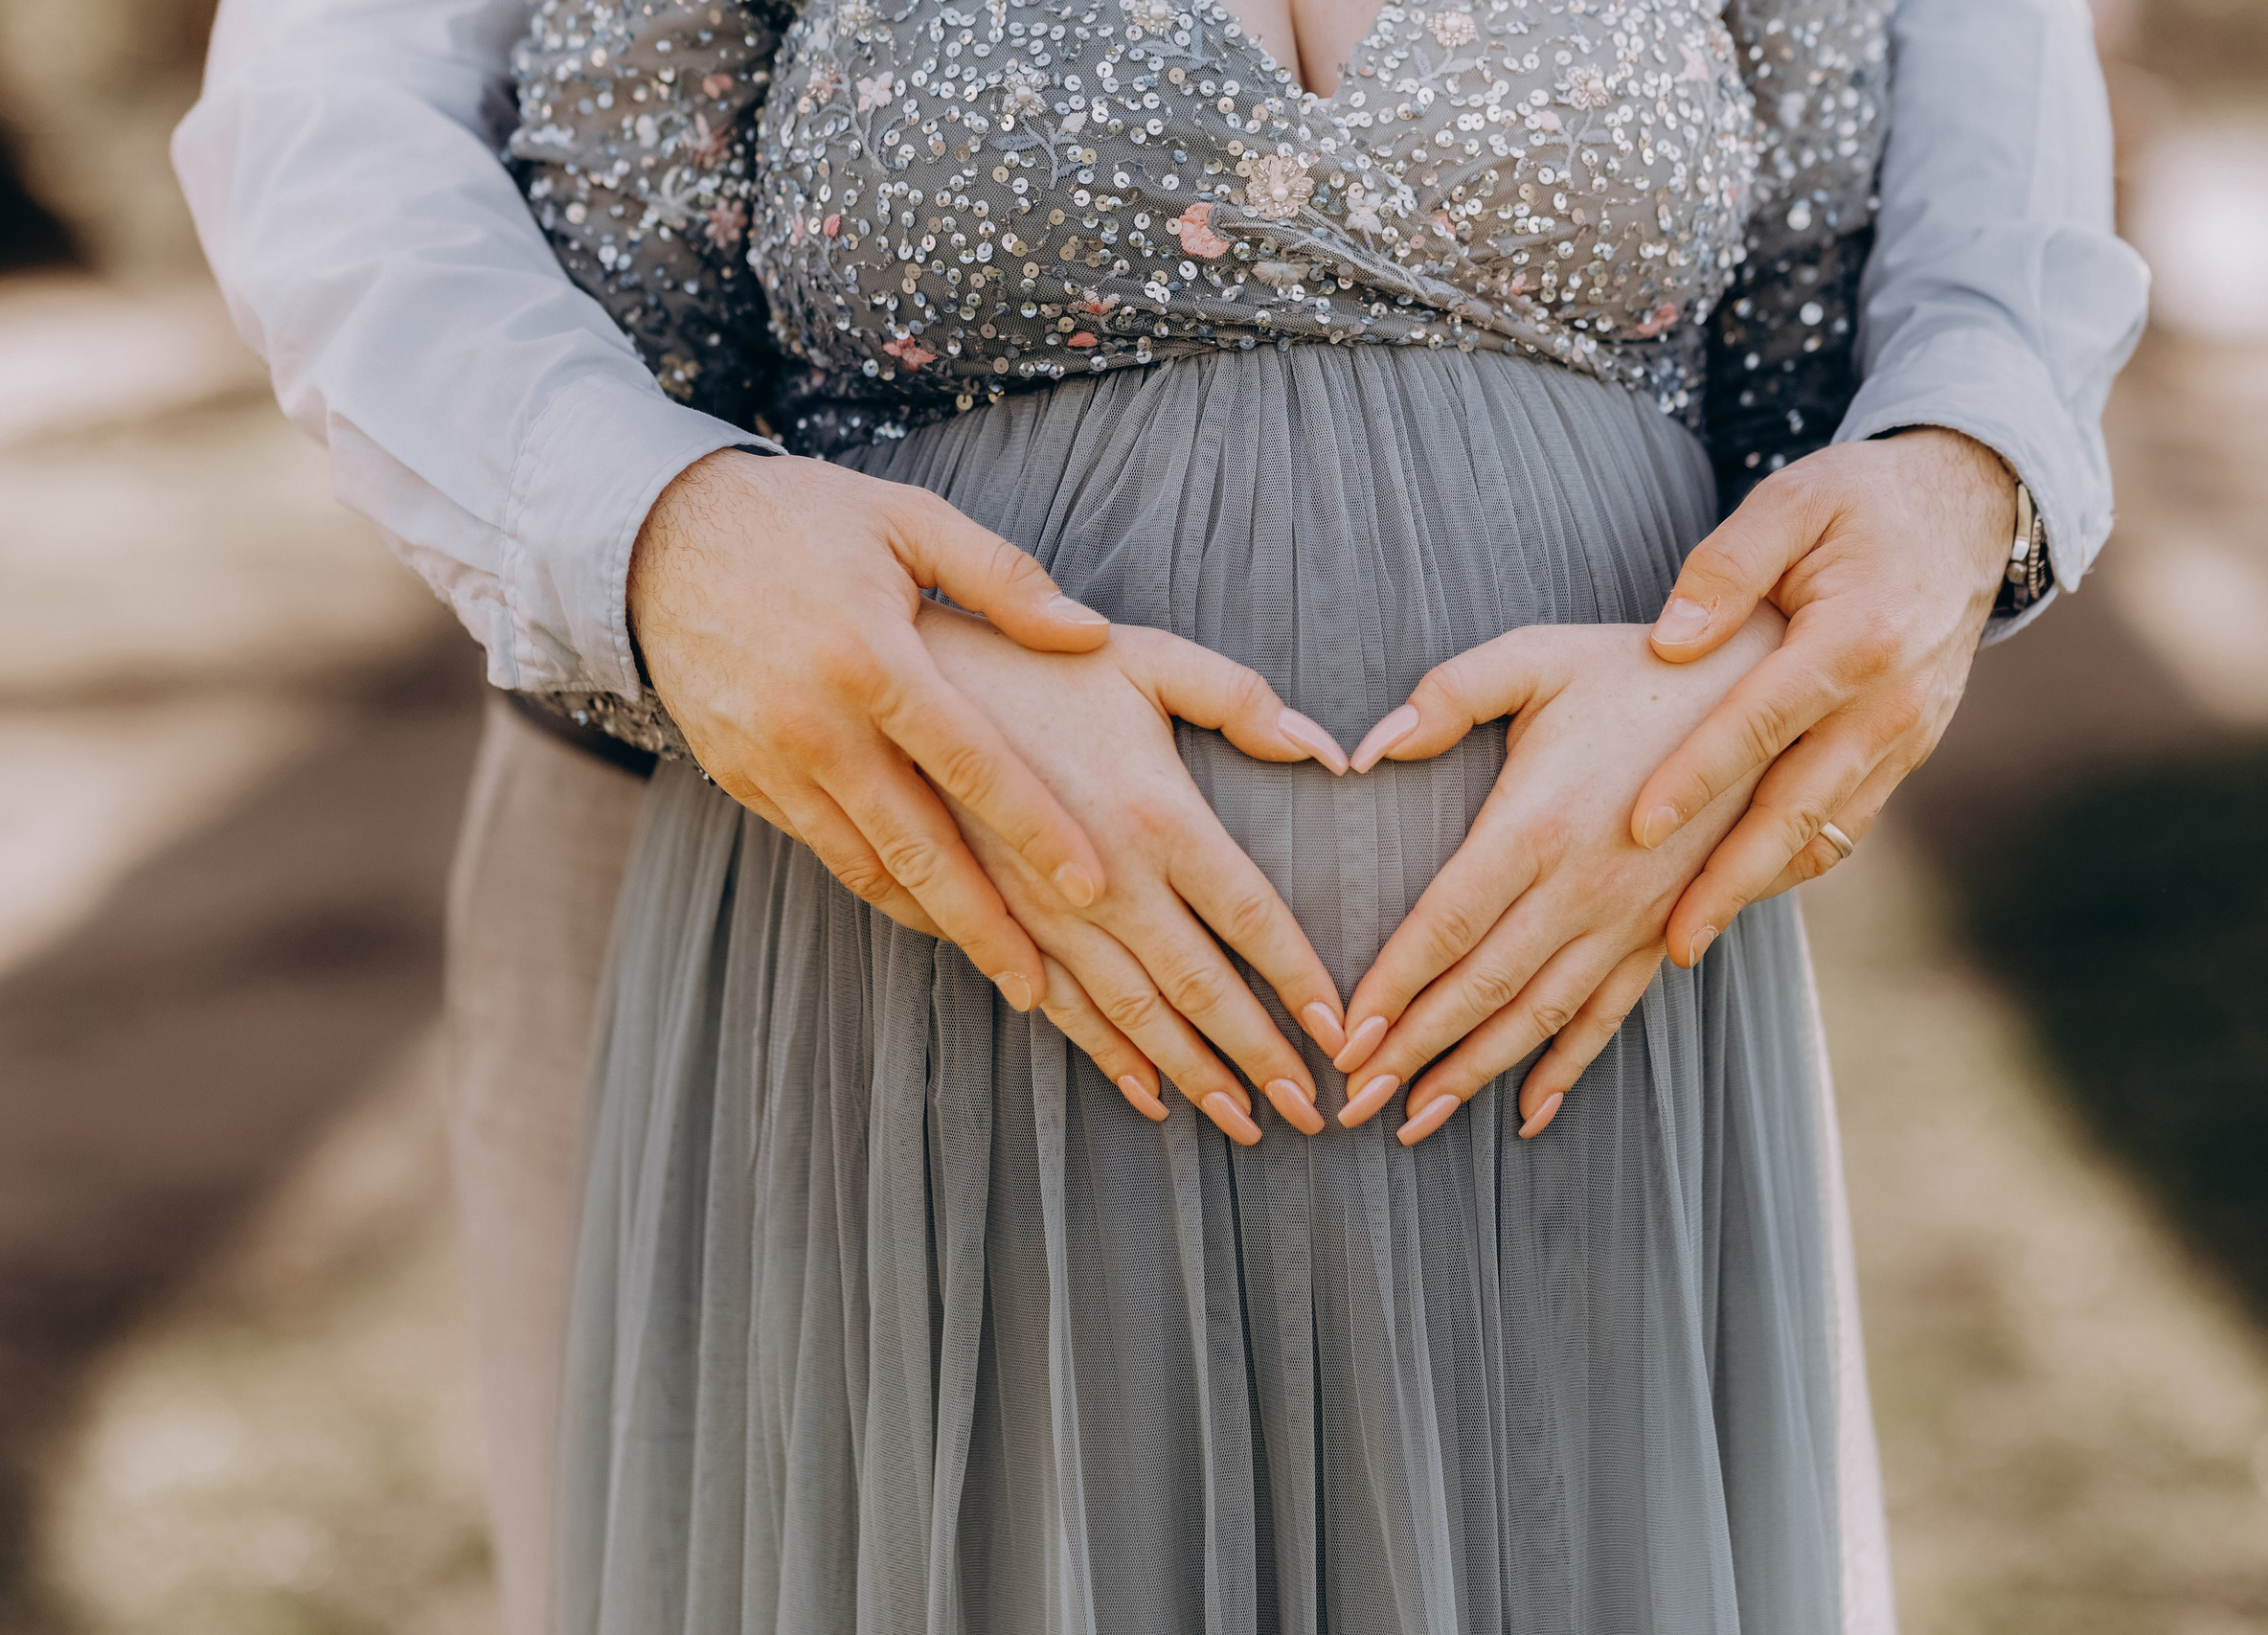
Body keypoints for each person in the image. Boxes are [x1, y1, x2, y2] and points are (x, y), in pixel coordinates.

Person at [174, 0, 2145, 1628]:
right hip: (874, 993)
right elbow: (349, 137)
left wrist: (1958, 460)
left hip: (1599, 1073)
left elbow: (1959, 172)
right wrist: (656, 523)